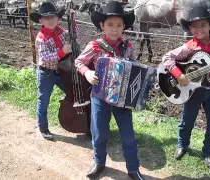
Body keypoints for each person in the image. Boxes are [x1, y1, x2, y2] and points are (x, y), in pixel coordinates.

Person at [162, 5, 210, 167]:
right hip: (194, 91)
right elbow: (167, 58)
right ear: (190, 28)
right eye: (194, 26)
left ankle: (208, 153)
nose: (199, 29)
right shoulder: (188, 47)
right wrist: (179, 75)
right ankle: (182, 144)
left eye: (203, 25)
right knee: (187, 121)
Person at [75, 1, 145, 180]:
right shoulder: (95, 45)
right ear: (102, 26)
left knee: (128, 136)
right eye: (110, 25)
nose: (114, 29)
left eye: (119, 25)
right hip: (99, 97)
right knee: (99, 133)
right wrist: (88, 72)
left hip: (122, 100)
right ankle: (98, 163)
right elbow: (79, 62)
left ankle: (133, 169)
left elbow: (133, 66)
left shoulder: (128, 47)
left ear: (124, 27)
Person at [30, 1, 71, 140]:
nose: (50, 20)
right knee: (43, 99)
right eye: (46, 18)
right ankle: (43, 127)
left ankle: (79, 122)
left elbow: (72, 36)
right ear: (41, 20)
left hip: (60, 71)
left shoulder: (61, 31)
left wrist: (74, 21)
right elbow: (45, 58)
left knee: (72, 92)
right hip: (46, 72)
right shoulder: (41, 37)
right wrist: (62, 52)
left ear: (58, 18)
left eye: (53, 17)